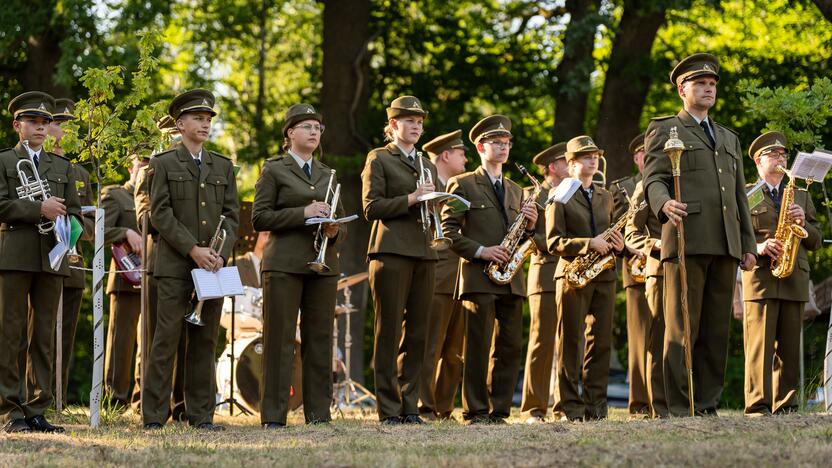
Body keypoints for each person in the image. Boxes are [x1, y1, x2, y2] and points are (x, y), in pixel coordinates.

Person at [643, 53, 756, 417]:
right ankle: (677, 406)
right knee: (681, 328)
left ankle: (706, 404)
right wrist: (664, 205)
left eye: (712, 85)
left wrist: (748, 245)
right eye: (700, 84)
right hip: (686, 236)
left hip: (725, 243)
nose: (708, 90)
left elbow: (739, 194)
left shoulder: (728, 137)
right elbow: (654, 179)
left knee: (715, 331)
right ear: (682, 89)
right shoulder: (664, 129)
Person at [142, 89, 239, 431]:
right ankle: (154, 416)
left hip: (212, 267)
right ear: (180, 124)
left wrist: (219, 253)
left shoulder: (223, 166)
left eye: (208, 119)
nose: (205, 124)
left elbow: (231, 215)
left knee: (205, 342)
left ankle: (201, 415)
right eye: (198, 118)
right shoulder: (163, 163)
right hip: (173, 266)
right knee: (164, 340)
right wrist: (193, 250)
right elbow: (160, 213)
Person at [441, 115, 538, 424]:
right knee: (479, 346)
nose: (503, 148)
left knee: (509, 347)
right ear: (481, 147)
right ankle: (475, 411)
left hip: (511, 279)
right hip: (479, 277)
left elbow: (525, 235)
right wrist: (482, 251)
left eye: (507, 143)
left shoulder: (516, 189)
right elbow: (448, 231)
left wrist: (532, 224)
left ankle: (499, 410)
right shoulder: (462, 183)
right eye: (497, 143)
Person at [253, 103, 344, 428]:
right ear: (290, 133)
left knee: (320, 340)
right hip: (284, 264)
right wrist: (303, 213)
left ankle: (318, 414)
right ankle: (274, 416)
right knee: (278, 339)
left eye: (318, 128)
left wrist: (334, 230)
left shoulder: (328, 173)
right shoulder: (274, 169)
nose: (314, 132)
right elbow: (259, 217)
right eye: (307, 127)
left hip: (322, 265)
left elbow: (340, 222)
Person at [0, 91, 82, 433]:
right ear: (18, 125)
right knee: (11, 333)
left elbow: (75, 213)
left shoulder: (63, 167)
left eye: (45, 122)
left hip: (53, 256)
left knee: (45, 336)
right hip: (15, 254)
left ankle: (37, 407)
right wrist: (38, 210)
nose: (40, 127)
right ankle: (9, 409)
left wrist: (71, 234)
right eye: (33, 121)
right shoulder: (4, 161)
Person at [361, 95, 439, 425]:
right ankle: (389, 408)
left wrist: (438, 201)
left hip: (424, 251)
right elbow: (371, 207)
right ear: (393, 126)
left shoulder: (427, 164)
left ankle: (410, 405)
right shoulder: (379, 158)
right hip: (391, 251)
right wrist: (411, 198)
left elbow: (430, 204)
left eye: (420, 122)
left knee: (418, 333)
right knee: (389, 331)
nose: (416, 126)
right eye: (410, 121)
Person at [741, 131, 821, 416]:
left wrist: (803, 221)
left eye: (783, 154)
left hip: (794, 276)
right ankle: (758, 405)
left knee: (790, 348)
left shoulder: (800, 193)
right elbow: (737, 234)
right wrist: (759, 246)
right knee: (759, 347)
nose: (780, 159)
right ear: (758, 162)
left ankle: (786, 404)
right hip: (761, 277)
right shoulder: (747, 194)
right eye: (773, 155)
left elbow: (815, 239)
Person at [546, 135, 622, 421]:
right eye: (586, 156)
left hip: (604, 274)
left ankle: (596, 407)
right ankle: (569, 407)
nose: (594, 159)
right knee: (570, 343)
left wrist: (617, 244)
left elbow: (611, 233)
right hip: (571, 275)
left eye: (596, 155)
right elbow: (554, 242)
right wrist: (589, 243)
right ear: (571, 163)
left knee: (601, 343)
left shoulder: (605, 195)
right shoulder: (560, 194)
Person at [131, 116, 186, 416]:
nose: (175, 139)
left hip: (193, 259)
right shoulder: (153, 166)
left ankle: (183, 404)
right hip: (161, 256)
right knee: (156, 338)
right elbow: (145, 211)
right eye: (171, 134)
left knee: (189, 339)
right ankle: (150, 404)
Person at [46, 98, 95, 404]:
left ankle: (57, 399)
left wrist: (74, 228)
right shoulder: (35, 166)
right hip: (38, 260)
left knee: (65, 335)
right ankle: (28, 396)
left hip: (73, 263)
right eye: (60, 124)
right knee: (34, 331)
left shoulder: (81, 175)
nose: (65, 132)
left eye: (71, 126)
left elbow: (90, 220)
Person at [417, 129, 468, 421]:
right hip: (435, 274)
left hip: (459, 275)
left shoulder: (460, 186)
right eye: (462, 153)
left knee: (453, 350)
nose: (466, 158)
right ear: (446, 155)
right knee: (429, 344)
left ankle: (444, 406)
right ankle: (424, 406)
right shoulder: (427, 185)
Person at [520, 142, 567, 424]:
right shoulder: (533, 194)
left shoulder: (570, 192)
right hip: (545, 271)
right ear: (552, 166)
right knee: (542, 342)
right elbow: (528, 237)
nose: (570, 164)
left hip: (568, 272)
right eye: (565, 161)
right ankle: (534, 409)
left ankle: (563, 407)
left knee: (568, 343)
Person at [609, 132, 652, 418]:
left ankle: (664, 398)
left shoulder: (673, 181)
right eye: (644, 154)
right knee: (639, 338)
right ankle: (639, 404)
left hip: (665, 262)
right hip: (635, 265)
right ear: (637, 157)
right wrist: (629, 250)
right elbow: (612, 227)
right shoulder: (622, 187)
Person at [102, 154, 148, 408]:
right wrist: (125, 231)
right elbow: (97, 230)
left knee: (150, 341)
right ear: (131, 168)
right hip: (125, 277)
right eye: (141, 165)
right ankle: (114, 401)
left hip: (154, 278)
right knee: (122, 340)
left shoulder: (157, 199)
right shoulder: (116, 194)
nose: (144, 170)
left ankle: (142, 400)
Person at [625, 178, 667, 417]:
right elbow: (631, 234)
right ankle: (658, 405)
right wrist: (656, 243)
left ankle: (687, 402)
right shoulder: (646, 186)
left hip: (693, 273)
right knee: (659, 340)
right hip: (660, 271)